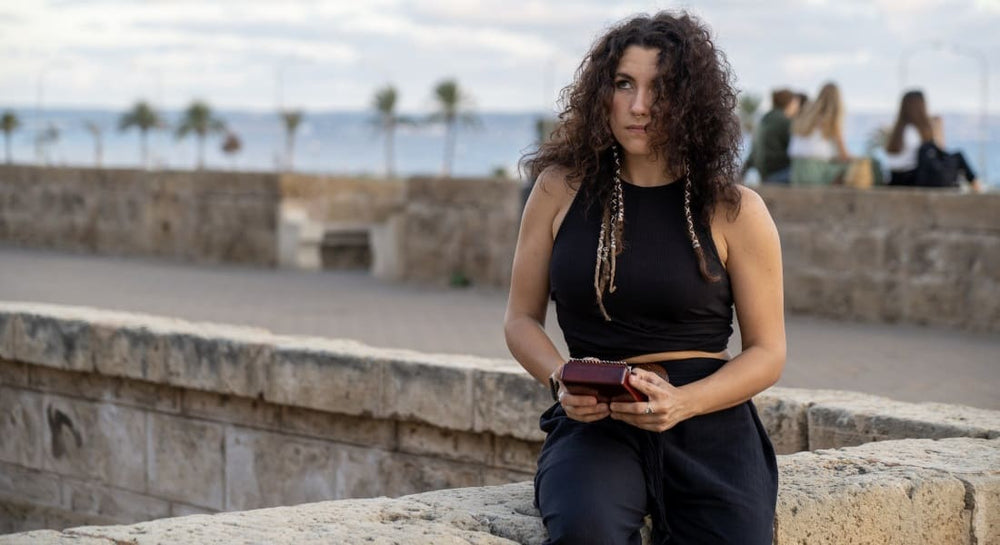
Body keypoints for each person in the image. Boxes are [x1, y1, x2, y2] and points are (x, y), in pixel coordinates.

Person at [504, 11, 785, 545]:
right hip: (597, 417)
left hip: (708, 415)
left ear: (690, 102)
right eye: (623, 84)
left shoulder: (735, 209)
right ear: (601, 94)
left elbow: (768, 353)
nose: (639, 106)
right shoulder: (557, 190)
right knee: (586, 531)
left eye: (660, 88)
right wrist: (560, 379)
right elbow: (519, 319)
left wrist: (683, 403)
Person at [885, 90, 982, 191]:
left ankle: (977, 188)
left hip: (895, 179)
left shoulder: (898, 131)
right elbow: (940, 152)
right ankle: (978, 189)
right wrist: (938, 127)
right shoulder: (917, 132)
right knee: (958, 156)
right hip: (913, 180)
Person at [788, 82, 850, 185]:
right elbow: (844, 155)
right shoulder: (831, 120)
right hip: (816, 171)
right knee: (853, 169)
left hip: (796, 170)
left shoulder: (805, 114)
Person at [743, 88, 802, 184]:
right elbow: (796, 150)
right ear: (790, 103)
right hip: (778, 173)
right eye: (796, 103)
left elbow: (753, 152)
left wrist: (743, 171)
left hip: (763, 174)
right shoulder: (785, 121)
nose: (797, 107)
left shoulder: (764, 119)